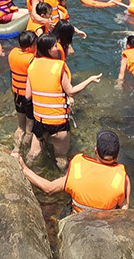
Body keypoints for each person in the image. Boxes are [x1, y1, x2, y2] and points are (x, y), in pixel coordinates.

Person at [25, 33, 101, 169]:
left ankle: (24, 173)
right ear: (49, 50)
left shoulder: (32, 65)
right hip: (57, 122)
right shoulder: (59, 66)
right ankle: (62, 186)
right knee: (61, 157)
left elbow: (27, 96)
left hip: (40, 120)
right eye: (55, 46)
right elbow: (70, 91)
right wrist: (90, 80)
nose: (57, 48)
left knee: (33, 153)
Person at [22, 129, 130, 212]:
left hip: (77, 220)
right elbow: (124, 207)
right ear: (116, 156)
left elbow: (49, 188)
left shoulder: (78, 167)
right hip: (104, 224)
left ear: (95, 150)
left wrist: (24, 168)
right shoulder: (122, 178)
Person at [7, 31, 37, 153]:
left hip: (16, 94)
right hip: (28, 97)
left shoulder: (12, 53)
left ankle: (15, 149)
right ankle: (26, 152)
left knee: (21, 127)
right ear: (30, 47)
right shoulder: (31, 60)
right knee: (29, 130)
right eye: (35, 44)